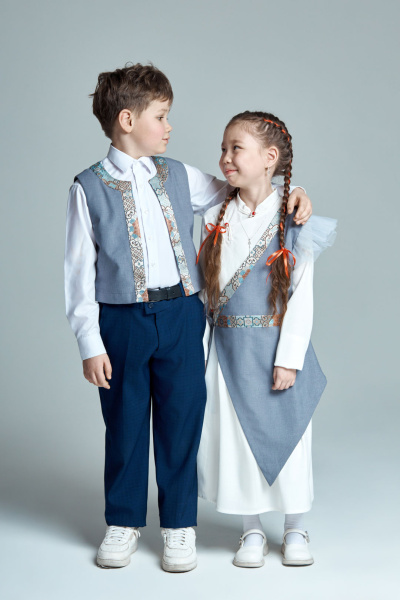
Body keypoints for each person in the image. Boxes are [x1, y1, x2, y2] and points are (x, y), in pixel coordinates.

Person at [64, 65, 312, 572]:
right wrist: (89, 342)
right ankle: (123, 521)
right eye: (161, 116)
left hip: (182, 314)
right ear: (127, 120)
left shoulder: (178, 174)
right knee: (124, 422)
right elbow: (77, 272)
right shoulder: (87, 188)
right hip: (121, 320)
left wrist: (295, 191)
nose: (169, 126)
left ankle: (179, 525)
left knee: (182, 420)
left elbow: (243, 190)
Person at [197, 111, 336, 568]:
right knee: (237, 438)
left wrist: (289, 358)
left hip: (276, 348)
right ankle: (251, 528)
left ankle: (295, 527)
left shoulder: (293, 217)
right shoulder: (214, 215)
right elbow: (208, 291)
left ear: (269, 157)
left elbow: (302, 293)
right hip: (230, 352)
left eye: (236, 148)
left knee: (289, 437)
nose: (225, 157)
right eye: (223, 148)